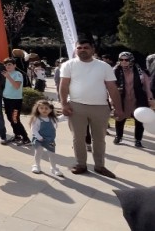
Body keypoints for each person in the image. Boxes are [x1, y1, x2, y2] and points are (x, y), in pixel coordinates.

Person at [59, 37, 123, 178]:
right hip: (76, 106)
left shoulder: (103, 66)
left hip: (100, 107)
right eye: (79, 48)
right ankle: (81, 164)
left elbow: (112, 87)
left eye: (86, 47)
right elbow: (63, 86)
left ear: (93, 50)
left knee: (99, 139)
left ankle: (100, 166)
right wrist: (64, 104)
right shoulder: (68, 65)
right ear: (75, 50)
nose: (82, 50)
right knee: (78, 138)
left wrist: (118, 108)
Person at [113, 51, 154, 148]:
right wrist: (112, 99)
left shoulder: (140, 71)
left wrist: (150, 99)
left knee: (139, 120)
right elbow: (111, 86)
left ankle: (138, 140)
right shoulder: (115, 71)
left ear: (131, 60)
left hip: (137, 98)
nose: (124, 62)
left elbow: (147, 86)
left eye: (126, 60)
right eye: (121, 59)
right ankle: (118, 136)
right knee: (120, 118)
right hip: (123, 99)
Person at [29, 100, 63, 176]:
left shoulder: (52, 119)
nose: (44, 110)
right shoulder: (36, 118)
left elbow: (60, 119)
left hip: (50, 140)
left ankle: (54, 168)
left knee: (52, 154)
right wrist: (39, 137)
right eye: (41, 108)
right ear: (37, 108)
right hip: (39, 140)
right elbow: (33, 129)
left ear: (50, 110)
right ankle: (36, 165)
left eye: (46, 108)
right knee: (38, 153)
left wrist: (66, 114)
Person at [1, 58, 30, 145]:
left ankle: (26, 138)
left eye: (9, 64)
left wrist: (8, 77)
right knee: (10, 118)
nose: (7, 66)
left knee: (15, 119)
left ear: (14, 65)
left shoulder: (17, 74)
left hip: (15, 100)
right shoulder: (6, 74)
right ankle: (17, 135)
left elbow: (17, 86)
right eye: (6, 65)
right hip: (7, 99)